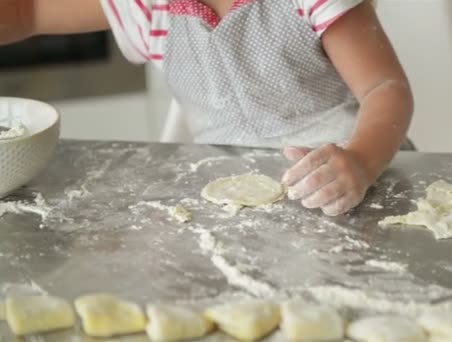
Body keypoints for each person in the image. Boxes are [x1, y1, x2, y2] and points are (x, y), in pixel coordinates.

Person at [0, 0, 414, 216]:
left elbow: (385, 87)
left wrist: (361, 161)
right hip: (232, 206)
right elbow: (24, 12)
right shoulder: (150, 6)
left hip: (353, 189)